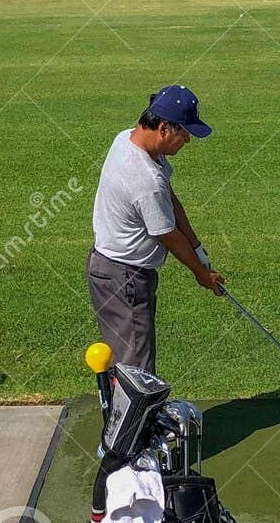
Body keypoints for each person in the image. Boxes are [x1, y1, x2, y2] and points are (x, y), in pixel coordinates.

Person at [87, 86, 225, 374]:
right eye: (184, 132)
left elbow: (170, 200)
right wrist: (202, 274)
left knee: (128, 363)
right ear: (163, 128)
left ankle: (123, 403)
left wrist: (198, 248)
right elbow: (169, 236)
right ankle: (130, 407)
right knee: (137, 372)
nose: (187, 140)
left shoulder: (127, 139)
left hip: (115, 271)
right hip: (124, 277)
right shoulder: (145, 179)